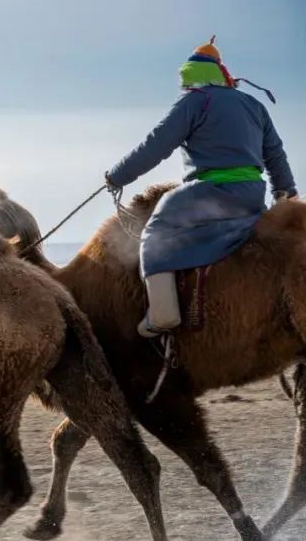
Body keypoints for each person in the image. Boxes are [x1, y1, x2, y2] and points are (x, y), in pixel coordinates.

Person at [105, 37, 297, 338]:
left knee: (156, 230)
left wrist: (117, 177)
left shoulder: (196, 101)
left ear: (190, 77)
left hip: (209, 193)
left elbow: (155, 145)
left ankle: (163, 313)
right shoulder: (253, 105)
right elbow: (275, 154)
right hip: (251, 195)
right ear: (222, 74)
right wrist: (285, 194)